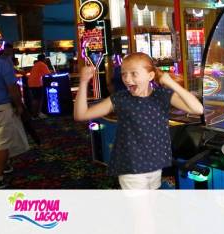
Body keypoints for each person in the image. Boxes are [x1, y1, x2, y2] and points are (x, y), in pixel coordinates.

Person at [74, 52, 204, 190]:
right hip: (131, 167)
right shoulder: (120, 98)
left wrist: (171, 83)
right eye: (124, 74)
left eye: (134, 74)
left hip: (155, 164)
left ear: (150, 76)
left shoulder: (162, 96)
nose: (127, 79)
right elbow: (81, 115)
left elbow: (198, 109)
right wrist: (83, 82)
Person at [0, 56, 29, 189]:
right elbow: (13, 89)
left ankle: (4, 166)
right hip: (1, 108)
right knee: (2, 143)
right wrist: (19, 105)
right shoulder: (1, 64)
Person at [28, 54, 51, 118]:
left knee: (36, 98)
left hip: (31, 83)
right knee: (39, 99)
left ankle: (35, 114)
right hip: (37, 83)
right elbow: (48, 75)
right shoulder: (42, 64)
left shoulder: (36, 64)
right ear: (44, 59)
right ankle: (37, 114)